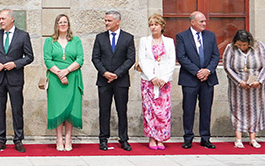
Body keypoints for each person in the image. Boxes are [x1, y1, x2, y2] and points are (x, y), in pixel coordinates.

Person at [0, 9, 34, 152]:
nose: (1, 21)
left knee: (17, 109)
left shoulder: (23, 36)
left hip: (15, 78)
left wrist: (16, 64)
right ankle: (1, 139)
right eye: (0, 18)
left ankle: (18, 139)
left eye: (3, 18)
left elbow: (29, 56)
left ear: (12, 19)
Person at [91, 10, 136, 151]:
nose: (106, 23)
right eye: (105, 20)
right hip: (104, 81)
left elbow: (130, 59)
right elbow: (95, 58)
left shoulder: (128, 38)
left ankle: (124, 139)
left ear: (118, 21)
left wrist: (116, 74)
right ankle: (103, 139)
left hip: (121, 81)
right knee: (104, 110)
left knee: (122, 110)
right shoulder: (100, 38)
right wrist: (105, 73)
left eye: (109, 21)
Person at [175, 11, 220, 149]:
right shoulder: (182, 36)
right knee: (188, 109)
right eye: (201, 21)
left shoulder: (210, 36)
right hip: (190, 79)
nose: (204, 24)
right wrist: (197, 72)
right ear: (192, 22)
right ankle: (188, 137)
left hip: (208, 79)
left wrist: (208, 70)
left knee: (206, 109)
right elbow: (182, 57)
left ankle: (205, 138)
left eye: (205, 21)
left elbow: (215, 55)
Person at [222, 29, 265, 148]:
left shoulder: (259, 46)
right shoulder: (230, 48)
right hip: (238, 85)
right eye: (239, 45)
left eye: (244, 45)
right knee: (238, 109)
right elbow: (227, 67)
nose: (242, 47)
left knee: (255, 109)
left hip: (256, 85)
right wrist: (239, 81)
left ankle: (253, 138)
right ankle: (238, 138)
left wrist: (259, 80)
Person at [44, 13, 84, 151]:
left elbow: (80, 59)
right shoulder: (49, 41)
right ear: (56, 25)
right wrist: (60, 74)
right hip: (55, 79)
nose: (62, 24)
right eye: (60, 22)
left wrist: (66, 71)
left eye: (65, 22)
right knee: (58, 108)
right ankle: (59, 139)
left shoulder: (76, 40)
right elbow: (47, 60)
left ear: (68, 24)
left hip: (72, 77)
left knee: (70, 109)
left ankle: (68, 139)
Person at [137, 14, 175, 150]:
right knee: (150, 110)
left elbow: (171, 61)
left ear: (162, 26)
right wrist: (152, 77)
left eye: (156, 24)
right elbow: (142, 59)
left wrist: (164, 78)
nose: (153, 27)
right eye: (151, 25)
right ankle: (152, 137)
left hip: (164, 82)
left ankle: (161, 138)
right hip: (148, 81)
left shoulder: (169, 42)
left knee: (163, 111)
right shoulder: (144, 41)